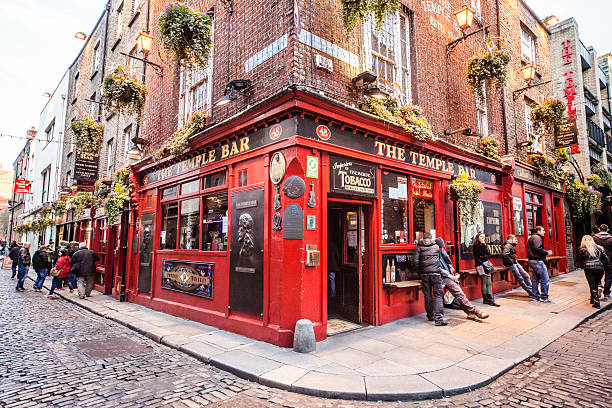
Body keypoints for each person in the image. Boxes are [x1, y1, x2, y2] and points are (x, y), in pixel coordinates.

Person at [436, 238, 489, 321]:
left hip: (448, 276)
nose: (441, 249)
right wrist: (450, 276)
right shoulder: (432, 254)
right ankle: (475, 311)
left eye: (442, 247)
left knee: (460, 295)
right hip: (441, 278)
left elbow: (447, 261)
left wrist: (450, 267)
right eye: (440, 247)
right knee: (453, 295)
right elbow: (437, 268)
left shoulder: (442, 252)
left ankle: (471, 312)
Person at [414, 232, 447, 326]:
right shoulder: (436, 247)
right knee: (438, 295)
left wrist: (419, 272)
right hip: (436, 274)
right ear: (431, 238)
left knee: (427, 295)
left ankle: (430, 315)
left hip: (424, 274)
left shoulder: (419, 247)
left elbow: (415, 261)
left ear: (422, 238)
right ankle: (439, 319)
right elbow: (442, 259)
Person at [575, 235, 610, 309]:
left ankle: (596, 302)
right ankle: (593, 298)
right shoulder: (600, 248)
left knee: (592, 285)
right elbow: (606, 259)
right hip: (600, 268)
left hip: (589, 268)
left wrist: (582, 266)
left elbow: (578, 261)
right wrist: (607, 267)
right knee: (596, 283)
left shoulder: (582, 249)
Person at [472, 233, 500, 307]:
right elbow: (479, 256)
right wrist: (484, 256)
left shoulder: (484, 245)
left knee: (489, 282)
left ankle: (491, 299)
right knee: (485, 282)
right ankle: (486, 299)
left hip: (485, 264)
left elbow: (488, 255)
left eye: (484, 237)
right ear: (477, 238)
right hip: (480, 265)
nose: (483, 238)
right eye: (481, 237)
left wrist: (485, 248)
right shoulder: (475, 246)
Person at [527, 226, 553, 303]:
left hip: (533, 261)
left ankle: (535, 296)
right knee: (545, 279)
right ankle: (544, 297)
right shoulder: (537, 238)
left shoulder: (532, 237)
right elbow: (538, 248)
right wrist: (547, 252)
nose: (544, 232)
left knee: (535, 280)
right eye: (543, 230)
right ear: (538, 231)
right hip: (537, 261)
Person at [592, 224, 612, 301]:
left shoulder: (594, 238)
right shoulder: (611, 239)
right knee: (608, 277)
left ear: (599, 229)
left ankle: (599, 287)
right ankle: (606, 294)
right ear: (607, 230)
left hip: (597, 260)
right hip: (609, 261)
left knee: (597, 276)